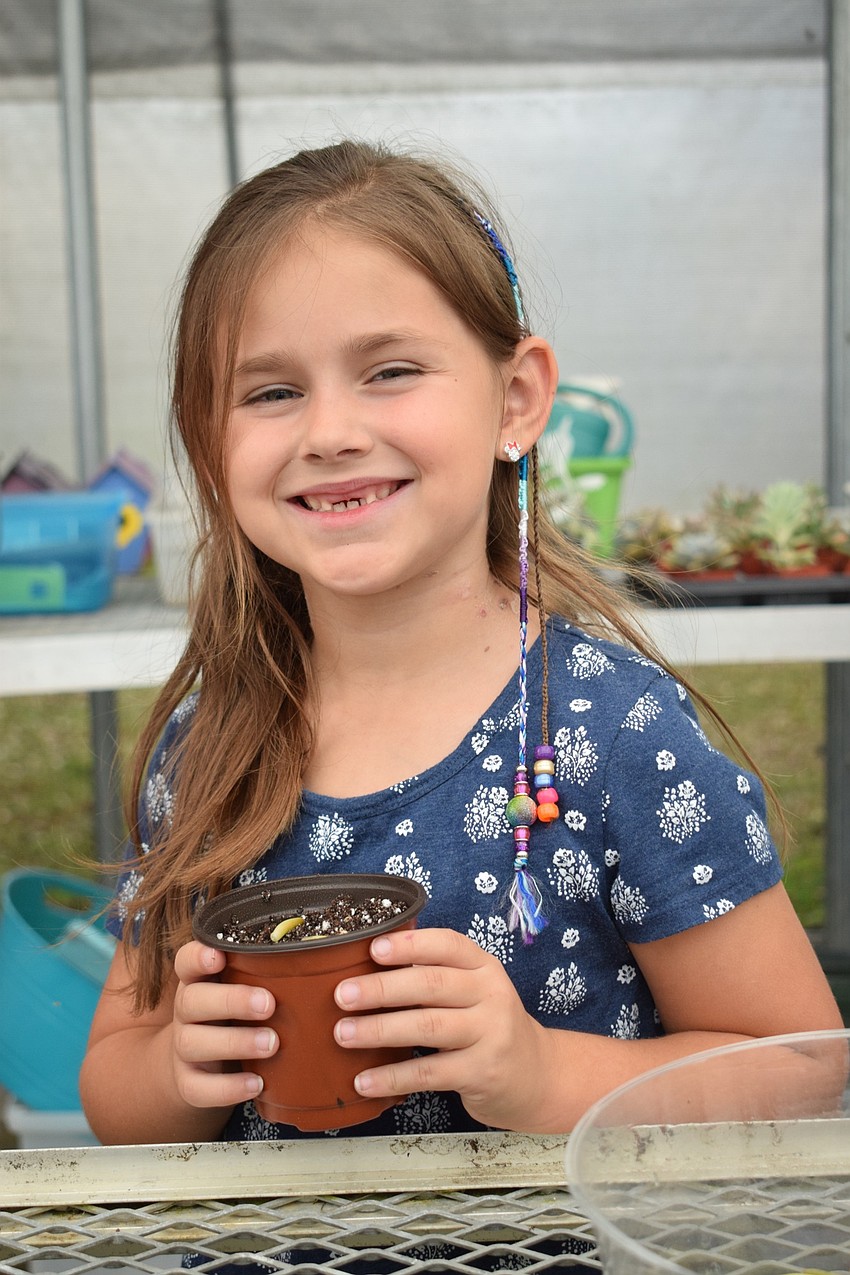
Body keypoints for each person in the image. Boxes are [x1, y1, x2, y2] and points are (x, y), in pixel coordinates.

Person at [80, 138, 842, 1150]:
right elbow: (115, 1084)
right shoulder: (207, 746)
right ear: (206, 441)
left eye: (390, 371)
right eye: (270, 392)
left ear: (516, 400)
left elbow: (803, 1068)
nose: (330, 432)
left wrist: (542, 1076)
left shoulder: (613, 735)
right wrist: (180, 1066)